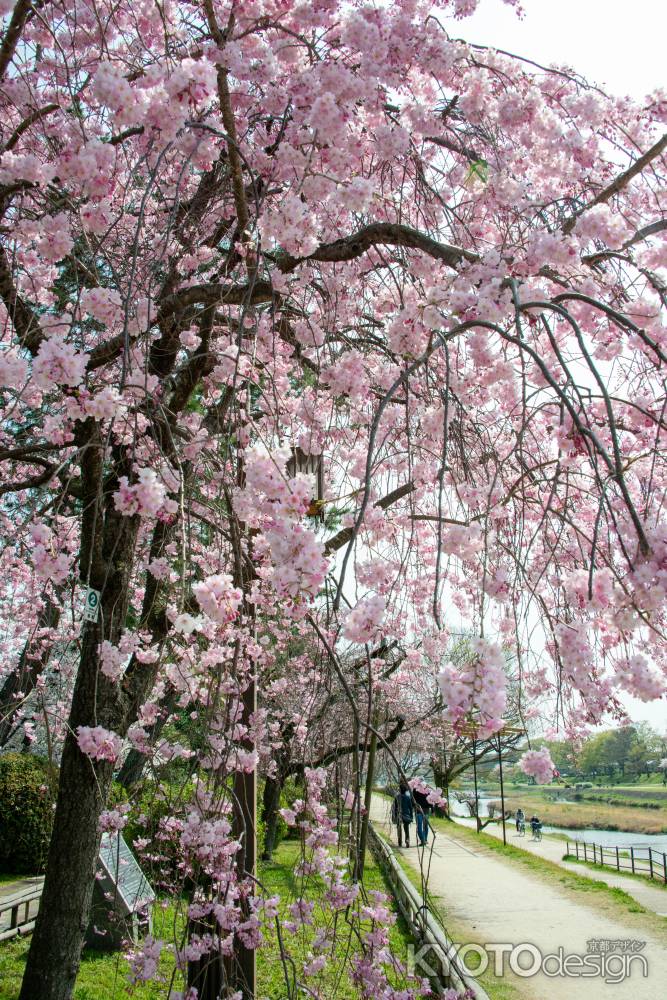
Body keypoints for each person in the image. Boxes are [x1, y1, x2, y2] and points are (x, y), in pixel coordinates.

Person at [391, 781, 414, 847]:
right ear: (405, 790)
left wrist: (394, 815)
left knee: (399, 827)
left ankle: (399, 840)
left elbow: (394, 807)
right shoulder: (408, 797)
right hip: (406, 815)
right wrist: (411, 816)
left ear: (400, 790)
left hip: (399, 815)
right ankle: (407, 840)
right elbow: (410, 808)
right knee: (406, 828)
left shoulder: (397, 797)